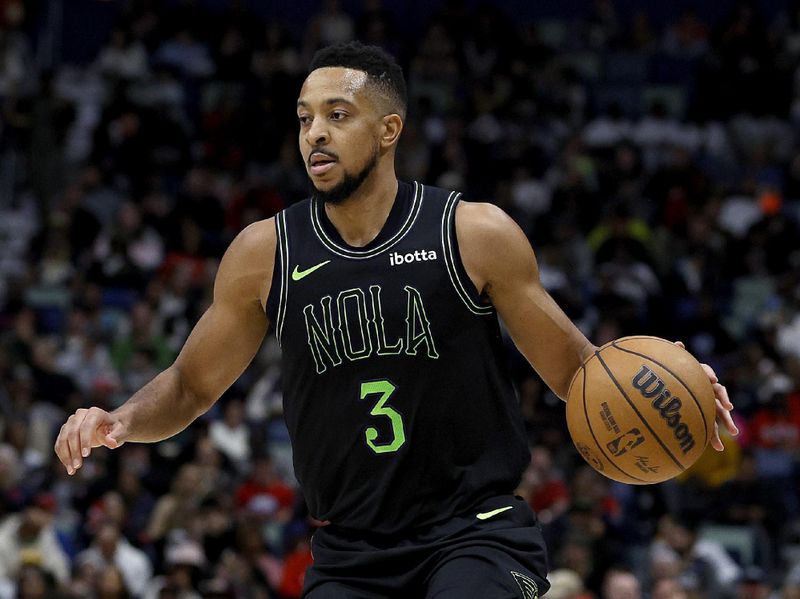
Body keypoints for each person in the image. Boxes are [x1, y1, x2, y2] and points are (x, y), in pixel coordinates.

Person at [55, 41, 738, 598]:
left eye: (337, 115)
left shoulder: (472, 233)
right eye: (303, 118)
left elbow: (581, 371)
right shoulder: (265, 253)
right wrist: (121, 420)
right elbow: (190, 386)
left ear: (389, 130)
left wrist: (671, 377)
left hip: (475, 532)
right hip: (350, 552)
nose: (315, 133)